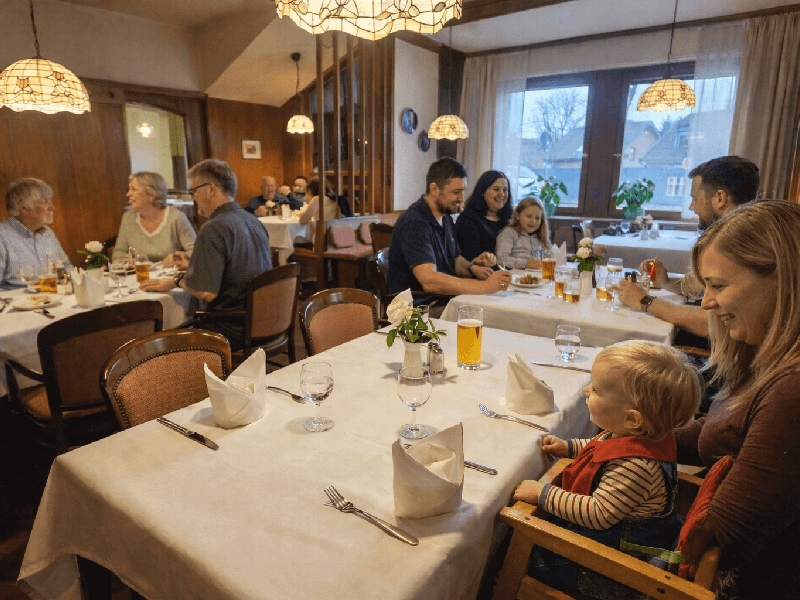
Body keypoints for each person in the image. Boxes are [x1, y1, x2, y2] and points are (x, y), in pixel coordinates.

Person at [674, 201, 800, 598]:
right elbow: (714, 434)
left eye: (718, 285)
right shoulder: (766, 356)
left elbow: (720, 544)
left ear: (779, 279)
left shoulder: (791, 392)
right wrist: (633, 434)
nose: (707, 302)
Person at [514, 341, 701, 595]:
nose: (585, 391)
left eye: (597, 390)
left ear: (631, 418)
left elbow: (598, 513)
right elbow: (601, 448)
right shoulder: (637, 435)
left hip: (604, 567)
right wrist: (568, 447)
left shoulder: (636, 467)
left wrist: (542, 494)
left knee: (523, 551)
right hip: (608, 543)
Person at [619, 156, 760, 339]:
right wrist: (665, 282)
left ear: (719, 198)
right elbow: (699, 287)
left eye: (694, 198)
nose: (691, 207)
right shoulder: (742, 231)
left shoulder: (741, 242)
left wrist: (645, 301)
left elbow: (716, 324)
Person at [141, 159, 272, 351]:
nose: (193, 197)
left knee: (158, 343)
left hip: (230, 328)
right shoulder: (252, 221)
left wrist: (177, 280)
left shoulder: (213, 227)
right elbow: (240, 266)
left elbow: (206, 292)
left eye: (194, 190)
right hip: (266, 321)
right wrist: (196, 263)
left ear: (211, 189)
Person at [388, 158, 510, 305]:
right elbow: (429, 281)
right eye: (456, 192)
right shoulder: (415, 222)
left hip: (443, 300)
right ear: (434, 190)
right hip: (417, 311)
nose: (462, 198)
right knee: (491, 314)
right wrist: (485, 286)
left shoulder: (445, 217)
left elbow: (454, 261)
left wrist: (472, 267)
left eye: (463, 191)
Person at [0, 178, 73, 289]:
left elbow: (66, 268)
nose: (52, 207)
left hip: (55, 300)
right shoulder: (2, 235)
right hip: (18, 304)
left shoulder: (47, 233)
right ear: (23, 206)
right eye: (45, 202)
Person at [112, 172, 196, 267]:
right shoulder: (128, 218)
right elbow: (118, 251)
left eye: (134, 189)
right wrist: (123, 259)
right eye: (129, 189)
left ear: (152, 195)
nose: (128, 194)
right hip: (140, 275)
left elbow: (196, 251)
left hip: (169, 277)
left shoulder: (176, 218)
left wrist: (178, 257)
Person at [455, 170, 512, 262]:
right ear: (482, 191)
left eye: (505, 190)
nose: (502, 194)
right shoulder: (468, 219)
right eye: (496, 189)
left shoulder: (508, 221)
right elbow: (471, 258)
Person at [495, 197, 555, 270]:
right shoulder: (509, 233)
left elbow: (550, 258)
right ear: (518, 216)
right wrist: (526, 263)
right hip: (515, 276)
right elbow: (501, 260)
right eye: (528, 216)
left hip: (537, 277)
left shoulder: (541, 236)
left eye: (537, 218)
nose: (533, 221)